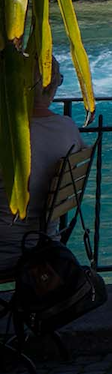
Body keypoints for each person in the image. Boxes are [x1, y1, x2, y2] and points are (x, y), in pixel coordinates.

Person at [0, 60, 85, 271]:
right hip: (45, 244)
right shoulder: (68, 128)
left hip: (5, 249)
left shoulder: (6, 133)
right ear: (52, 85)